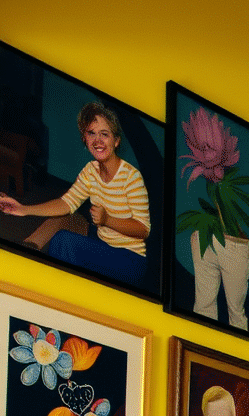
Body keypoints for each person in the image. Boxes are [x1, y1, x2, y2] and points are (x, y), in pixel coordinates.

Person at [0, 101, 150, 286]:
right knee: (69, 217)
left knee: (64, 242)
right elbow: (66, 203)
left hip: (130, 260)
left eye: (105, 134)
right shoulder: (90, 170)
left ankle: (57, 289)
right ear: (84, 139)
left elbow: (143, 230)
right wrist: (23, 209)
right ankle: (26, 249)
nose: (97, 141)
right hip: (102, 241)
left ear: (116, 141)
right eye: (91, 133)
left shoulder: (131, 177)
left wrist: (107, 220)